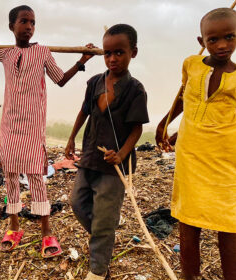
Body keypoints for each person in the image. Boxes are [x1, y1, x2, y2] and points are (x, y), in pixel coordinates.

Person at [0, 5, 94, 257]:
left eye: (33, 23)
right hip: (10, 125)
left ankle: (46, 231)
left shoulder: (43, 52)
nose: (29, 27)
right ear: (11, 26)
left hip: (33, 126)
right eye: (24, 21)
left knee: (36, 176)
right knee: (11, 176)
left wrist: (82, 60)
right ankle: (13, 226)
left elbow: (59, 79)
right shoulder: (5, 53)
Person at [156, 8, 236, 280]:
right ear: (201, 42)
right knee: (188, 227)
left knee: (230, 228)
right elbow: (187, 99)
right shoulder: (192, 64)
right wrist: (165, 124)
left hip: (226, 163)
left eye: (229, 36)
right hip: (191, 160)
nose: (222, 45)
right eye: (213, 39)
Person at [66, 24, 149, 280]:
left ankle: (98, 270)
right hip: (90, 156)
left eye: (120, 53)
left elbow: (136, 129)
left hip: (114, 167)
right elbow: (84, 112)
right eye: (108, 53)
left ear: (133, 52)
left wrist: (122, 154)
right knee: (78, 204)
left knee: (103, 221)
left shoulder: (136, 89)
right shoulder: (94, 82)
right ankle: (105, 235)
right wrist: (71, 139)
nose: (113, 59)